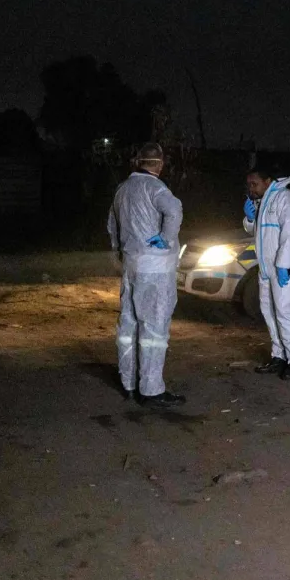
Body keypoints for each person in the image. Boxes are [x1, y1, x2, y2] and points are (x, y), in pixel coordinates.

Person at [107, 143, 186, 408]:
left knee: (128, 325)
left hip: (131, 265)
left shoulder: (122, 190)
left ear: (138, 162)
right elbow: (174, 210)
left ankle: (128, 382)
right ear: (159, 164)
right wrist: (166, 238)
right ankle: (151, 390)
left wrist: (119, 250)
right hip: (155, 268)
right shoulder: (156, 188)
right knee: (154, 328)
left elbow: (112, 225)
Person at [244, 166, 290, 379]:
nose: (251, 188)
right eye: (249, 184)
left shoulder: (286, 198)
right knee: (269, 311)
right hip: (266, 267)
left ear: (267, 181)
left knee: (284, 311)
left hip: (285, 266)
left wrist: (283, 265)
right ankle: (279, 355)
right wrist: (249, 220)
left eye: (254, 184)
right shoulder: (263, 202)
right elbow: (257, 233)